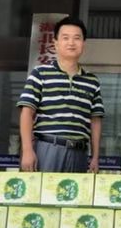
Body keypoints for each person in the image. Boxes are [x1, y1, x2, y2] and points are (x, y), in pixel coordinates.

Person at [17, 17, 104, 173]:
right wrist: (27, 150)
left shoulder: (92, 81)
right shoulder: (40, 73)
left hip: (80, 152)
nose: (71, 42)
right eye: (65, 38)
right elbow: (27, 112)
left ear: (83, 44)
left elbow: (95, 120)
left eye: (77, 38)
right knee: (45, 189)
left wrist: (95, 157)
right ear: (55, 43)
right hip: (48, 148)